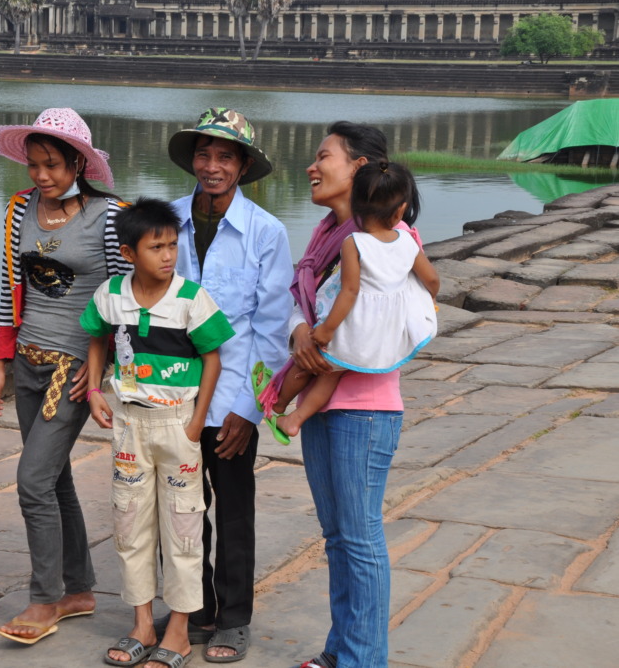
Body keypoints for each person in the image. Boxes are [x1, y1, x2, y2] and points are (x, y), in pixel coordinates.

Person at [0, 108, 131, 644]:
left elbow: (125, 299)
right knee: (54, 478)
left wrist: (100, 372)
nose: (41, 176)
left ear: (78, 162)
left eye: (52, 165)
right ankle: (79, 588)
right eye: (34, 165)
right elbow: (9, 290)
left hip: (72, 369)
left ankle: (44, 598)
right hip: (26, 360)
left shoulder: (111, 217)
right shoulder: (18, 210)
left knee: (31, 481)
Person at [282, 122, 419, 668]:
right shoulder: (325, 236)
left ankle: (365, 660)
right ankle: (341, 651)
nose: (313, 167)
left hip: (365, 408)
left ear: (360, 167)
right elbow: (307, 300)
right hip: (321, 401)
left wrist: (324, 337)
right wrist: (300, 333)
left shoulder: (389, 237)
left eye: (324, 157)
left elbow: (394, 318)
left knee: (360, 539)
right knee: (337, 536)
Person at [81, 198, 234, 668]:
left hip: (177, 427)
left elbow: (212, 357)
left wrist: (196, 420)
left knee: (184, 528)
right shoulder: (111, 294)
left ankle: (181, 632)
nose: (168, 256)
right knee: (130, 525)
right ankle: (142, 623)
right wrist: (92, 389)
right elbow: (96, 337)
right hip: (129, 426)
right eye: (156, 247)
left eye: (173, 245)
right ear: (129, 253)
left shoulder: (190, 298)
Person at [165, 107, 294, 663]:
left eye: (224, 157)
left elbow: (271, 333)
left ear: (242, 166)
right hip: (169, 395)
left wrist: (249, 408)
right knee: (180, 510)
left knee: (235, 512)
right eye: (203, 155)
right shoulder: (165, 221)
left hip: (231, 401)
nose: (211, 166)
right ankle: (193, 608)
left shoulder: (267, 232)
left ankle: (234, 618)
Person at [260, 161, 439, 440]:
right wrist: (431, 296)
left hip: (354, 328)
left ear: (354, 206)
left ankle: (278, 402)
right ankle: (294, 419)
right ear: (401, 210)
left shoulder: (354, 242)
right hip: (382, 335)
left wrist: (327, 329)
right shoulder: (408, 241)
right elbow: (432, 280)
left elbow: (350, 291)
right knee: (331, 373)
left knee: (311, 362)